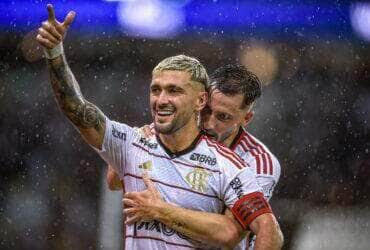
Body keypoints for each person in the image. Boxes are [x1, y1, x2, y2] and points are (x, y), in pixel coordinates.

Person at [36, 4, 283, 249]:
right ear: (204, 103)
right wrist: (55, 52)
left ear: (199, 100)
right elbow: (78, 111)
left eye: (174, 91)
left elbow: (239, 233)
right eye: (156, 90)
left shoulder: (243, 164)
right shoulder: (136, 140)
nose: (210, 122)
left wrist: (160, 210)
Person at [112, 64, 281, 249]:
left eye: (223, 117)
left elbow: (231, 232)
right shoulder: (173, 131)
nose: (208, 123)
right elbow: (113, 182)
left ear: (246, 119)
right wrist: (134, 145)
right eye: (207, 111)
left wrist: (160, 210)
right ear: (201, 100)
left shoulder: (258, 162)